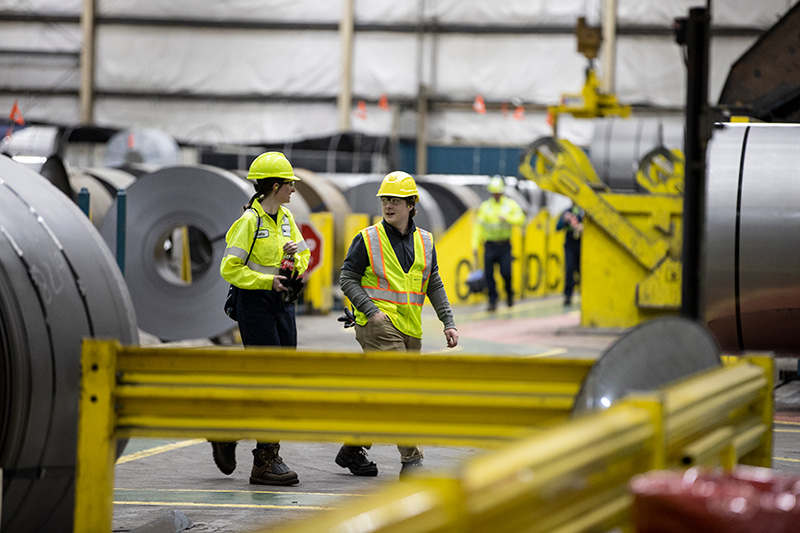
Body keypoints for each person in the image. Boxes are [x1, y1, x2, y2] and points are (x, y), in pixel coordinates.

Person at [337, 170, 459, 479]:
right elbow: (347, 278)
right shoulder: (367, 238)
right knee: (401, 390)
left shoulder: (425, 241)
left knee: (382, 392)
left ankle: (353, 447)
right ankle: (412, 460)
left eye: (395, 200)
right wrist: (371, 311)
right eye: (385, 199)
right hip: (377, 325)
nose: (388, 205)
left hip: (410, 328)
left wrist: (448, 321)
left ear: (411, 204)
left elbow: (433, 283)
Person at [212, 151, 310, 486]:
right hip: (254, 304)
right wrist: (267, 280)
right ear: (274, 185)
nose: (293, 189)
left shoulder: (285, 218)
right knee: (270, 377)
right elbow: (230, 268)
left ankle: (227, 431)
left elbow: (305, 251)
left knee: (284, 377)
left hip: (282, 301)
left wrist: (295, 263)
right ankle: (266, 460)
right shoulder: (248, 223)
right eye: (289, 184)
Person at [471, 175, 525, 311]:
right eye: (494, 193)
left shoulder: (510, 205)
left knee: (506, 272)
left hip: (504, 245)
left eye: (498, 192)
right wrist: (475, 244)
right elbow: (479, 226)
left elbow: (521, 218)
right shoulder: (485, 207)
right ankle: (492, 300)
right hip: (489, 245)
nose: (496, 195)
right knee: (489, 275)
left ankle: (509, 295)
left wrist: (508, 218)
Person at [557, 204, 584, 306]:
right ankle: (568, 295)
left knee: (582, 270)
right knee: (569, 268)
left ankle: (584, 293)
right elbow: (558, 227)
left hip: (582, 243)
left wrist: (582, 226)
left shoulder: (584, 211)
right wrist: (564, 220)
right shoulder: (567, 212)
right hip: (570, 243)